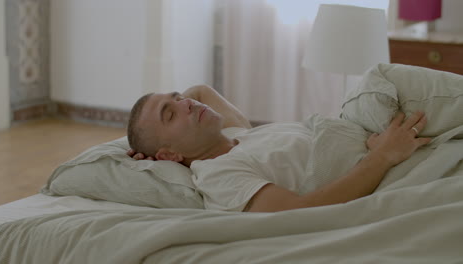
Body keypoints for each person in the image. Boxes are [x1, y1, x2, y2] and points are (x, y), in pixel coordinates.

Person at [127, 85, 431, 213]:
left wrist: (160, 141)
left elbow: (201, 91)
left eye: (178, 97)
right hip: (392, 162)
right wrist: (382, 155)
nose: (187, 103)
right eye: (170, 113)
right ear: (169, 155)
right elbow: (301, 211)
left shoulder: (237, 135)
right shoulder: (218, 173)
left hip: (384, 143)